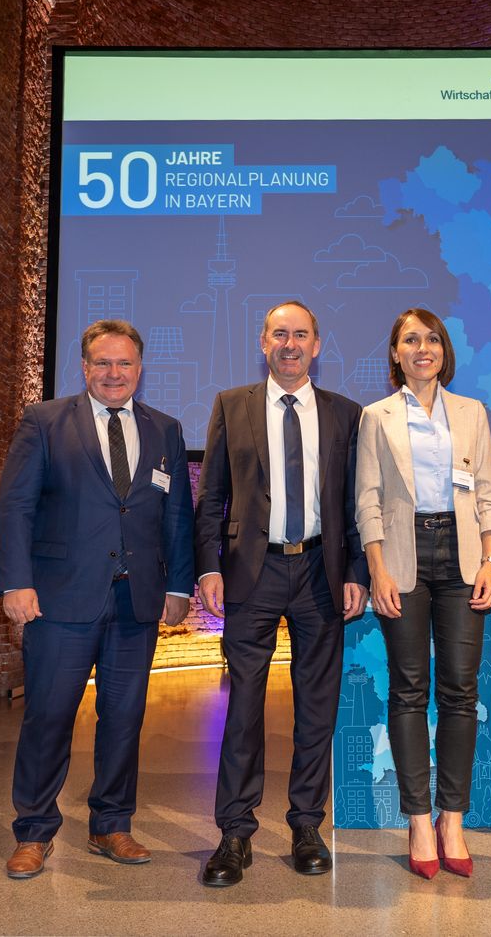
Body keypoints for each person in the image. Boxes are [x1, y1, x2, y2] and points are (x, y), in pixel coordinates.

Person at [0, 319, 194, 879]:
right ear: (84, 369)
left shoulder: (166, 430)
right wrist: (16, 581)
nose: (113, 373)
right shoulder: (45, 421)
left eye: (124, 363)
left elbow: (177, 515)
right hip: (59, 599)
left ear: (139, 368)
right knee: (49, 716)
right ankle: (33, 831)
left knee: (124, 718)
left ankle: (112, 823)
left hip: (137, 603)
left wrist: (179, 585)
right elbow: (15, 507)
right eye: (102, 363)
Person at [195, 300, 368, 886]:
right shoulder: (232, 405)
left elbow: (354, 505)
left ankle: (306, 826)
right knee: (242, 706)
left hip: (321, 570)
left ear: (317, 345)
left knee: (317, 707)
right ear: (263, 342)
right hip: (252, 573)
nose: (290, 344)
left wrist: (358, 573)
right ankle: (235, 834)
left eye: (301, 334)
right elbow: (211, 495)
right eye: (279, 334)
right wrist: (207, 568)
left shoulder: (348, 414)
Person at [356, 308, 491, 879]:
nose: (423, 348)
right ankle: (418, 819)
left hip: (463, 557)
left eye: (433, 338)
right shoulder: (376, 416)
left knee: (461, 693)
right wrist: (377, 569)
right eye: (411, 340)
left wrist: (490, 560)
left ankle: (453, 819)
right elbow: (367, 498)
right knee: (410, 689)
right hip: (402, 555)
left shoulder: (472, 412)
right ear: (395, 353)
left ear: (445, 349)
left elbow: (487, 490)